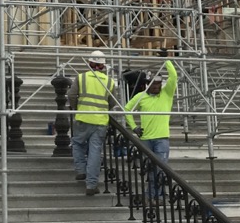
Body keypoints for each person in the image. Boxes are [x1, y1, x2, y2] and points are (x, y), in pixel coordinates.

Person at [68, 49, 123, 196]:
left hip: (83, 118)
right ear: (103, 66)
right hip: (100, 121)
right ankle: (91, 185)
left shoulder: (81, 78)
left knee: (78, 143)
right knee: (95, 152)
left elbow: (71, 95)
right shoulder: (109, 82)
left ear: (90, 63)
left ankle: (80, 170)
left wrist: (76, 107)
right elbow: (112, 102)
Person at [124, 56, 178, 196]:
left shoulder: (166, 94)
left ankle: (154, 194)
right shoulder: (140, 96)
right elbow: (126, 110)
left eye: (159, 84)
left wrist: (167, 60)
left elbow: (174, 76)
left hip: (162, 138)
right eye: (153, 84)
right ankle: (156, 193)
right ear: (147, 84)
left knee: (160, 168)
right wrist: (134, 127)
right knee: (150, 169)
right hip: (146, 138)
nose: (156, 87)